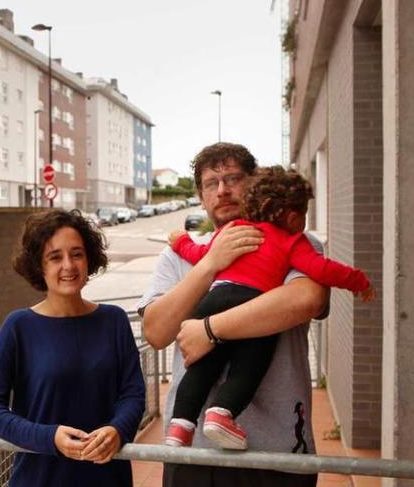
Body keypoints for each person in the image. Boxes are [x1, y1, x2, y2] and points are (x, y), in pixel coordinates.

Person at [138, 142, 330, 486]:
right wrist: (211, 262)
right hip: (193, 452)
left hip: (277, 451)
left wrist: (209, 330)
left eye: (233, 178)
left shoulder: (292, 241)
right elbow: (155, 331)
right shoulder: (178, 258)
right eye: (212, 183)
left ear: (253, 184)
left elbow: (306, 300)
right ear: (201, 195)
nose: (223, 190)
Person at [163, 166, 374, 450]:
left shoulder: (233, 230)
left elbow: (199, 254)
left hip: (213, 300)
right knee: (248, 368)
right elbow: (321, 270)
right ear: (292, 216)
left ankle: (180, 426)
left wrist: (181, 241)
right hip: (253, 304)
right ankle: (221, 414)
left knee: (201, 369)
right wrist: (359, 282)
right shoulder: (293, 241)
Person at [0, 209, 146, 487]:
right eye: (55, 257)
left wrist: (118, 429)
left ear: (89, 257)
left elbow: (133, 393)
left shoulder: (113, 320)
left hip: (106, 477)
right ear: (39, 266)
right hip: (39, 477)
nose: (68, 265)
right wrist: (48, 437)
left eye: (77, 254)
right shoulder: (18, 326)